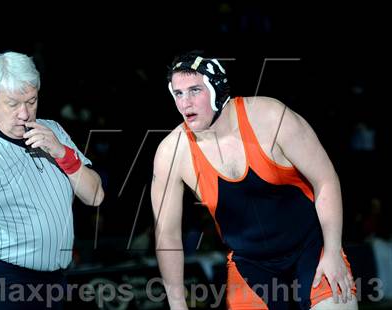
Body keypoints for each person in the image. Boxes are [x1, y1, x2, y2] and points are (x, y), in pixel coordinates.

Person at [151, 51, 358, 310]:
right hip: (251, 268)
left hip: (311, 249)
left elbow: (325, 179)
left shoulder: (269, 117)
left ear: (218, 89)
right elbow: (167, 235)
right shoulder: (172, 152)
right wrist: (177, 305)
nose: (185, 103)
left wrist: (332, 251)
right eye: (178, 93)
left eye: (194, 90)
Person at [0, 51, 104, 309]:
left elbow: (95, 195)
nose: (24, 113)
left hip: (54, 281)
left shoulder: (53, 130)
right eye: (13, 103)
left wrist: (62, 153)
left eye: (31, 101)